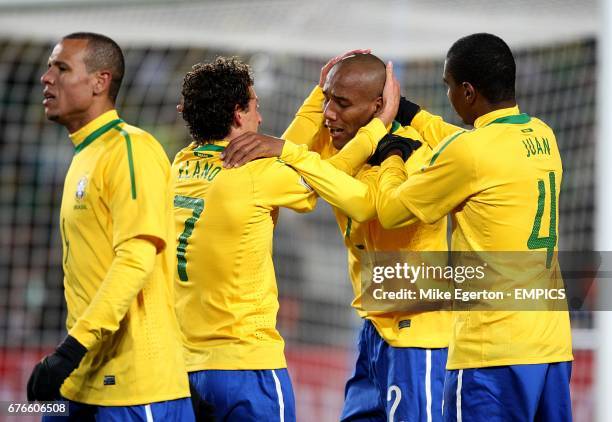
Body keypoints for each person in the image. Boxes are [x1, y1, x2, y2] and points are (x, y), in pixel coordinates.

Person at [222, 53, 451, 421]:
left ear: (379, 106)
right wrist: (318, 93)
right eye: (328, 100)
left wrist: (292, 152)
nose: (329, 113)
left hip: (418, 333)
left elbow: (371, 207)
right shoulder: (335, 143)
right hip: (375, 327)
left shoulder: (412, 154)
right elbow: (278, 164)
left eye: (342, 103)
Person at [374, 33, 573, 421]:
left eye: (448, 87)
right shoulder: (542, 134)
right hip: (551, 348)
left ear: (468, 91)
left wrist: (391, 157)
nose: (447, 95)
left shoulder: (471, 153)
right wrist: (413, 113)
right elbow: (468, 146)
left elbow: (391, 211)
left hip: (492, 350)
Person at [28, 32, 195, 421]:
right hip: (82, 377)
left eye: (62, 68)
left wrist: (71, 348)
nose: (46, 78)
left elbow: (137, 257)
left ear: (100, 82)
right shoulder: (85, 155)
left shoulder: (130, 149)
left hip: (134, 385)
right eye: (50, 66)